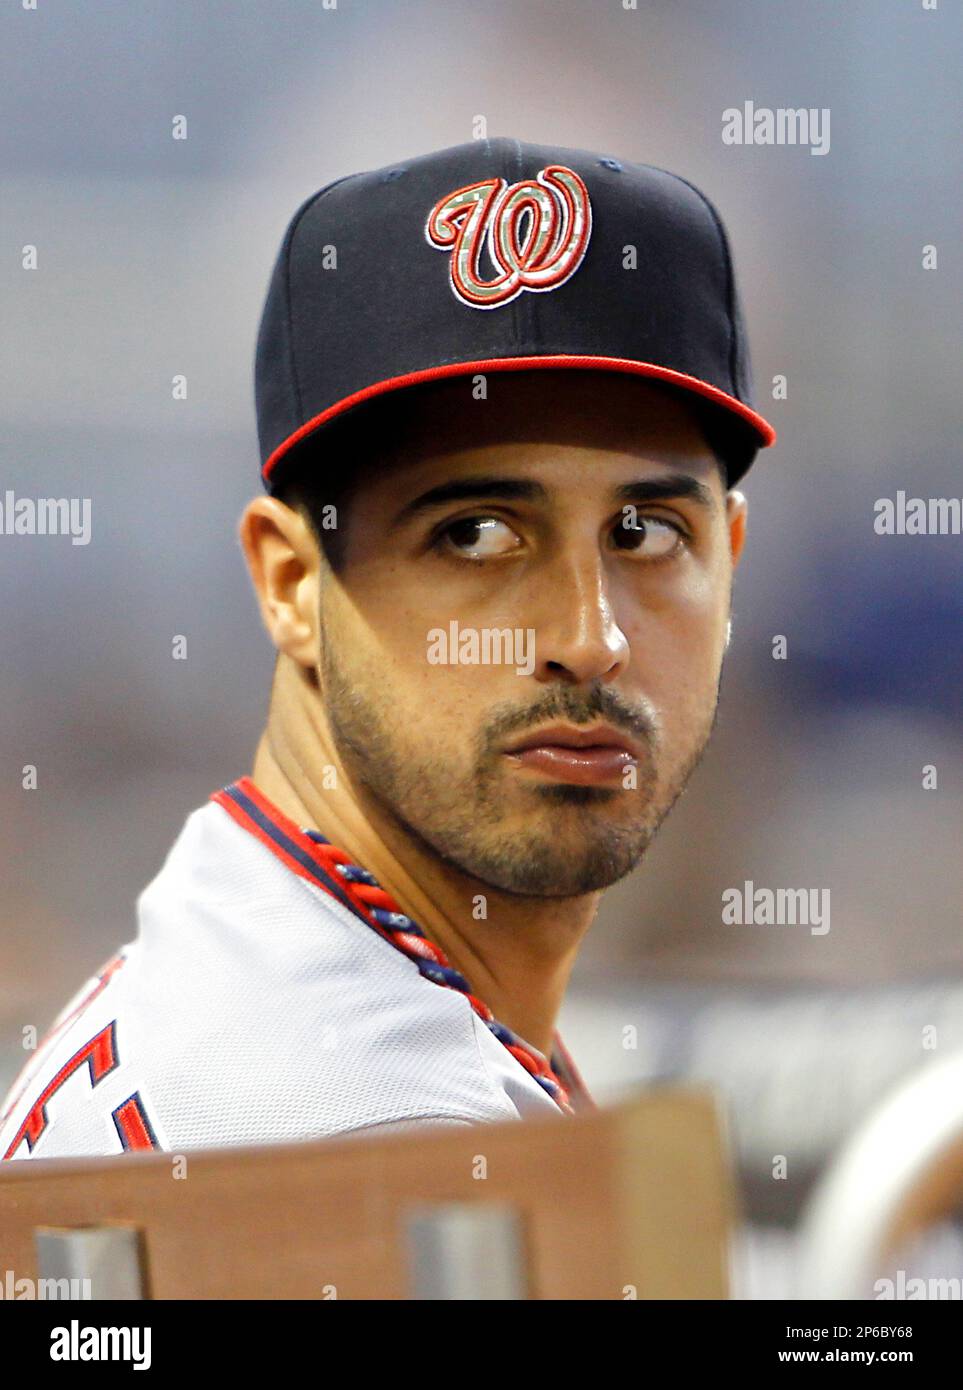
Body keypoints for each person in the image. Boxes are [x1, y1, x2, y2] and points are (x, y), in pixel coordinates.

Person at [0, 137, 775, 1159]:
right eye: (476, 533)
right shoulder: (383, 1139)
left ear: (728, 556)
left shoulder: (252, 941)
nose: (590, 640)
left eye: (645, 533)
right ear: (291, 582)